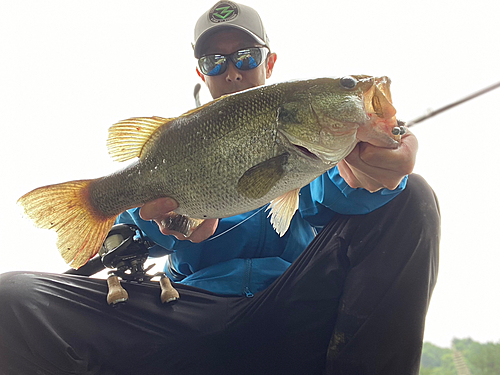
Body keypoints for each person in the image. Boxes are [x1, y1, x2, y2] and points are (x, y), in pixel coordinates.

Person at [0, 2, 440, 374]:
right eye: (216, 61)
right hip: (187, 310)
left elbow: (349, 193)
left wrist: (381, 172)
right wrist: (171, 226)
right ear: (201, 71)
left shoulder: (325, 151)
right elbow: (140, 228)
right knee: (14, 298)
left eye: (245, 56)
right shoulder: (176, 145)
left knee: (413, 197)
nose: (231, 71)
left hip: (290, 304)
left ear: (269, 62)